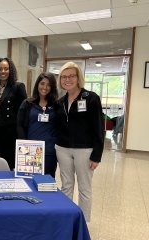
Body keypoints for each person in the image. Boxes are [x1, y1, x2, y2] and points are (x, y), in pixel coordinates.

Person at [55, 61, 104, 222]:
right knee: (66, 186)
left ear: (78, 78)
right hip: (63, 149)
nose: (67, 80)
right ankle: (67, 220)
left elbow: (98, 128)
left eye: (71, 76)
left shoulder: (91, 98)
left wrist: (96, 155)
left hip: (84, 150)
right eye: (64, 77)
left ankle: (82, 223)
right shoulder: (60, 101)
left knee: (84, 188)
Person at [17, 72, 59, 178]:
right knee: (29, 182)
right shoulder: (27, 104)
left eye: (49, 85)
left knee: (47, 183)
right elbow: (19, 125)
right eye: (42, 83)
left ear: (52, 87)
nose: (45, 87)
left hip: (49, 152)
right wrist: (24, 146)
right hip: (30, 151)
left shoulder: (56, 105)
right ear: (37, 85)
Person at [0, 57, 27, 170]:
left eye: (6, 69)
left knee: (10, 164)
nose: (3, 71)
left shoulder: (18, 87)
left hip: (11, 133)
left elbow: (24, 111)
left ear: (11, 71)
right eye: (0, 69)